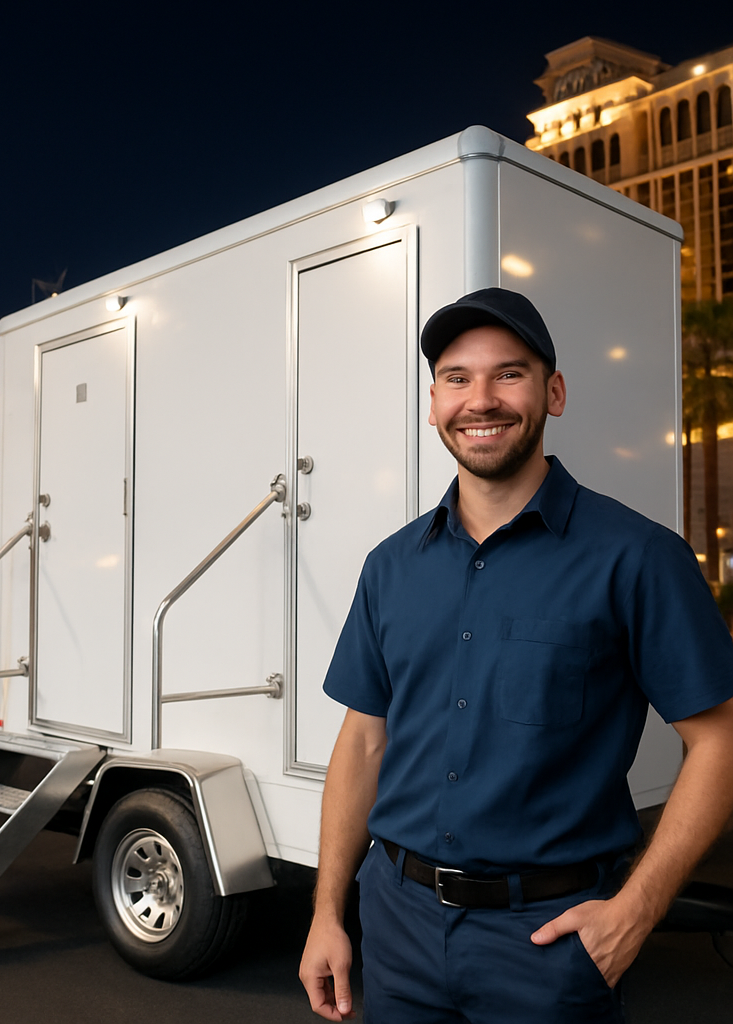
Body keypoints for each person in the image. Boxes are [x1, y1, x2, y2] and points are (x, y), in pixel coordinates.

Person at [298, 287, 733, 1023]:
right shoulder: (390, 567)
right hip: (397, 930)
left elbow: (719, 741)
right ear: (433, 404)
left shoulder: (636, 557)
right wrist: (326, 913)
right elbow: (364, 741)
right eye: (457, 378)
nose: (481, 400)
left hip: (549, 943)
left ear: (553, 392)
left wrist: (636, 910)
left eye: (509, 373)